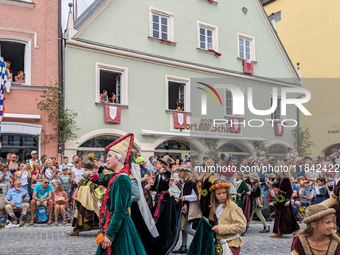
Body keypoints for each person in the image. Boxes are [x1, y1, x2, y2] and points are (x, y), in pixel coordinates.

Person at [84, 133, 146, 255]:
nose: (106, 159)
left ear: (118, 158)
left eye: (109, 156)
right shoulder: (116, 176)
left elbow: (119, 210)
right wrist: (89, 174)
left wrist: (110, 234)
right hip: (112, 223)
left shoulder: (122, 179)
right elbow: (102, 179)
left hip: (119, 227)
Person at [206, 179, 246, 255]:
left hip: (231, 244)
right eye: (218, 193)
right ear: (214, 195)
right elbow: (216, 223)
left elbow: (241, 226)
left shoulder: (232, 206)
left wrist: (220, 228)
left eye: (224, 193)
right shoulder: (213, 207)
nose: (222, 196)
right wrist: (208, 222)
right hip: (218, 244)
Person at [172, 164, 201, 254]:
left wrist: (185, 197)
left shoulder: (191, 183)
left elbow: (195, 197)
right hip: (184, 208)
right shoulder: (184, 182)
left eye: (179, 171)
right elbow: (182, 194)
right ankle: (184, 246)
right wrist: (175, 195)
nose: (178, 173)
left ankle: (203, 238)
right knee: (183, 228)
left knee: (187, 228)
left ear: (184, 172)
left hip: (190, 208)